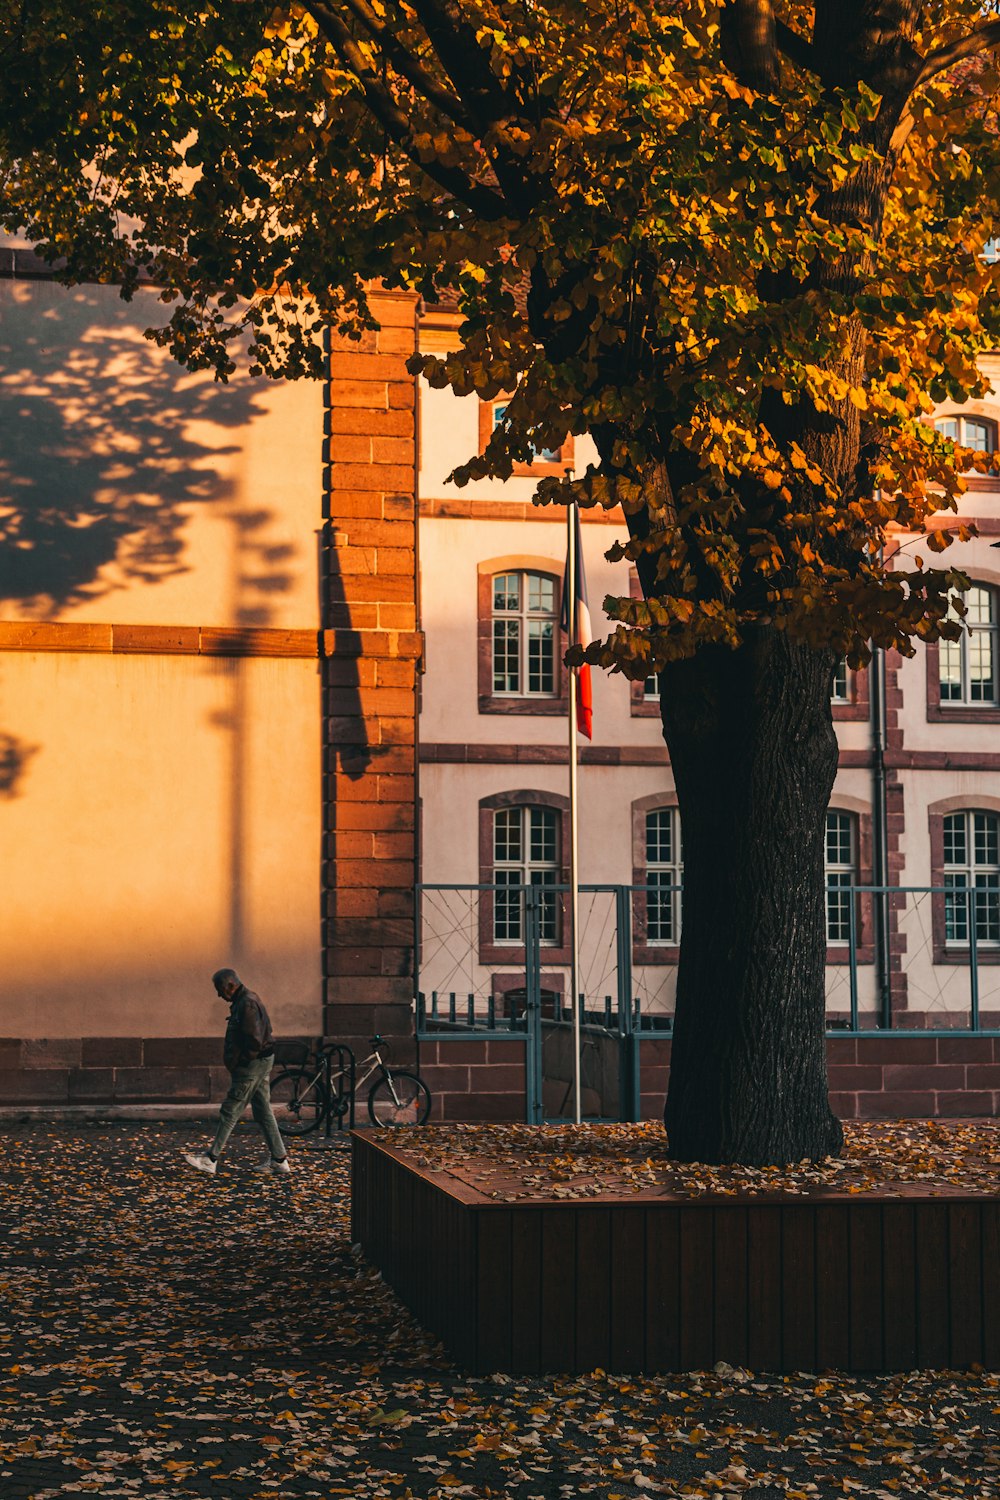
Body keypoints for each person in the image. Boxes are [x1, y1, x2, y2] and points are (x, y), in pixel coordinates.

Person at [184, 968, 291, 1176]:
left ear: (231, 986)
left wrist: (241, 1063)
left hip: (253, 1065)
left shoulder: (247, 1003)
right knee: (262, 1110)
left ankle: (210, 1158)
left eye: (219, 990)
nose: (218, 995)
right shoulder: (245, 1000)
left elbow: (254, 1041)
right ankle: (279, 1160)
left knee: (230, 1110)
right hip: (259, 1062)